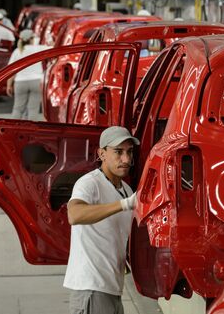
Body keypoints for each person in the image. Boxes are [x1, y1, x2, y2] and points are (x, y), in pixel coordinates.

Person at [64, 126, 139, 314]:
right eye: (118, 152)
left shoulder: (127, 191)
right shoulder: (89, 183)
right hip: (91, 287)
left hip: (111, 287)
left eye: (129, 152)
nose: (126, 159)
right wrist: (124, 204)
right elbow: (74, 215)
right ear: (102, 153)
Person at [6, 29, 49, 120]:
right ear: (31, 39)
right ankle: (30, 133)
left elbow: (11, 70)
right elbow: (55, 48)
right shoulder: (39, 48)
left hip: (20, 82)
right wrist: (52, 42)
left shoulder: (17, 51)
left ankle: (13, 130)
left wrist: (9, 85)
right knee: (33, 109)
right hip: (36, 82)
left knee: (18, 109)